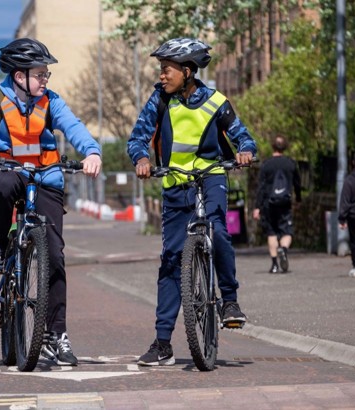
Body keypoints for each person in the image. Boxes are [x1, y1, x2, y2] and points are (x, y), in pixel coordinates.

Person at [0, 38, 102, 366]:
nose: (45, 80)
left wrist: (92, 152)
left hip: (46, 177)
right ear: (19, 76)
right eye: (40, 74)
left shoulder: (51, 101)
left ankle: (56, 334)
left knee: (54, 256)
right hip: (10, 171)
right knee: (3, 185)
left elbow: (74, 127)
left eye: (46, 74)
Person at [126, 37, 257, 366]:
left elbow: (242, 136)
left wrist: (245, 151)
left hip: (211, 178)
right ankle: (162, 344)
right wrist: (141, 158)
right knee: (171, 260)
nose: (161, 76)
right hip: (175, 184)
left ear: (187, 71)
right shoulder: (159, 100)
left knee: (218, 230)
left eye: (166, 70)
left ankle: (230, 301)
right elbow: (138, 137)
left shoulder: (216, 102)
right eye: (160, 70)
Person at [252, 135, 301, 273]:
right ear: (285, 147)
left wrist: (257, 207)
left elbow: (261, 187)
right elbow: (297, 184)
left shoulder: (266, 164)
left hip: (269, 204)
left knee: (271, 232)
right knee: (287, 231)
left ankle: (274, 265)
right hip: (285, 202)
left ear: (272, 146)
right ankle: (283, 249)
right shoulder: (291, 163)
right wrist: (298, 199)